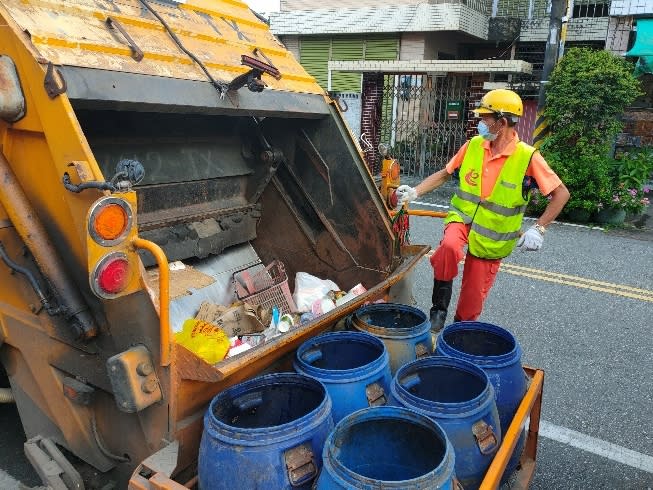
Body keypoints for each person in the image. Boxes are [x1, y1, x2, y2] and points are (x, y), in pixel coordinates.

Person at [395, 89, 570, 332]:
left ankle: (459, 333)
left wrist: (539, 228)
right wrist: (416, 192)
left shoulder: (527, 157)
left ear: (502, 122)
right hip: (462, 217)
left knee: (473, 294)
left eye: (486, 118)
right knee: (448, 248)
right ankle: (438, 310)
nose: (481, 123)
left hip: (493, 235)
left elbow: (561, 194)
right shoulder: (474, 145)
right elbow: (445, 173)